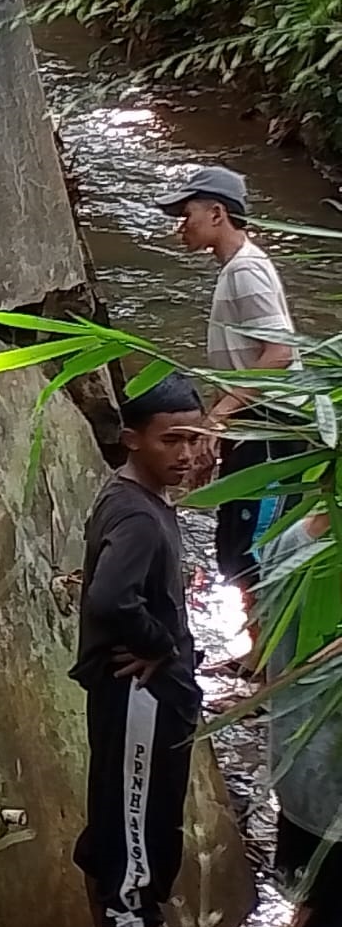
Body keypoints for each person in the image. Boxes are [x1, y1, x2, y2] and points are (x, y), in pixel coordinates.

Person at [71, 373, 206, 927]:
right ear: (131, 439)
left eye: (195, 440)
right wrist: (161, 645)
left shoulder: (130, 497)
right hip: (140, 705)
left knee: (119, 843)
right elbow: (109, 598)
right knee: (136, 858)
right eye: (171, 441)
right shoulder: (139, 517)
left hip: (138, 703)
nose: (187, 454)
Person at [156, 166, 298, 670]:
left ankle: (266, 670)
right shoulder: (236, 267)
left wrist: (218, 417)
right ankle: (256, 658)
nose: (181, 225)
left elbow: (279, 353)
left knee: (256, 548)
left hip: (274, 431)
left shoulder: (245, 270)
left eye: (186, 214)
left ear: (217, 213)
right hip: (254, 427)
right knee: (236, 545)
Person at [259, 512, 342, 927]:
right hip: (330, 783)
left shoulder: (295, 537)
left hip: (300, 773)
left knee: (311, 912)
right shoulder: (322, 554)